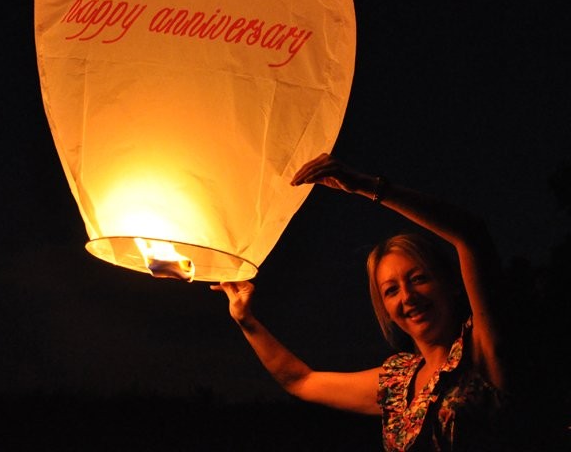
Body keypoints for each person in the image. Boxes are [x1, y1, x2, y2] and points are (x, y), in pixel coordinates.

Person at [212, 153, 511, 451]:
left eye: (419, 279)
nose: (408, 297)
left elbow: (472, 235)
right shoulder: (396, 384)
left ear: (451, 285)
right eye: (391, 290)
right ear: (386, 310)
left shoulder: (481, 349)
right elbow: (300, 380)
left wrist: (368, 186)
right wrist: (245, 320)